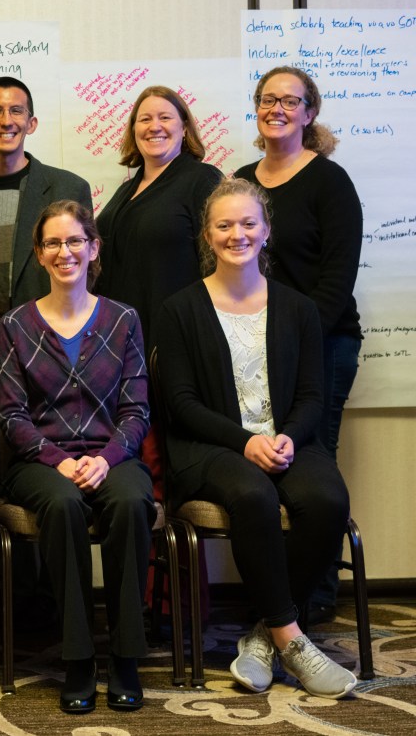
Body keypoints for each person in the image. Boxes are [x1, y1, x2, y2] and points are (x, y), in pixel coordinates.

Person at [156, 178, 357, 700]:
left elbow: (314, 393)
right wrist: (245, 442)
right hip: (210, 447)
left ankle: (263, 632)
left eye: (249, 223)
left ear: (267, 231)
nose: (237, 234)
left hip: (288, 440)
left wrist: (288, 435)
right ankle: (291, 638)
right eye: (224, 225)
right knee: (253, 495)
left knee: (327, 500)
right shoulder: (179, 310)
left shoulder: (298, 308)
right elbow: (182, 403)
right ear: (207, 234)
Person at [0, 200, 154, 713]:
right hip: (42, 464)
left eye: (74, 241)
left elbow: (136, 411)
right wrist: (58, 459)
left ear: (93, 248)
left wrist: (107, 458)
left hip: (113, 456)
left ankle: (126, 655)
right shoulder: (16, 324)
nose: (64, 252)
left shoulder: (123, 319)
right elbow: (11, 417)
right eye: (52, 244)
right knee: (62, 505)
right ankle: (79, 659)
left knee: (132, 503)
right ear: (39, 255)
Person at [235, 66, 363, 623]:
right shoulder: (242, 179)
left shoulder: (330, 183)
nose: (277, 109)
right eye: (268, 100)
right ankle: (278, 590)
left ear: (310, 113)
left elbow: (337, 280)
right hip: (256, 345)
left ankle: (314, 595)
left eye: (290, 101)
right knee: (267, 460)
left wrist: (298, 343)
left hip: (324, 345)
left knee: (314, 460)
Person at [95, 85, 222, 346]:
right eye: (145, 119)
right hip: (120, 338)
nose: (154, 127)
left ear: (184, 128)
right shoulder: (125, 189)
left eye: (165, 117)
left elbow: (217, 263)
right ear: (134, 130)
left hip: (176, 337)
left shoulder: (203, 180)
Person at [0, 77, 92, 316]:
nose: (6, 121)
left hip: (48, 333)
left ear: (31, 123)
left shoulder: (70, 188)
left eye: (17, 111)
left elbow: (87, 272)